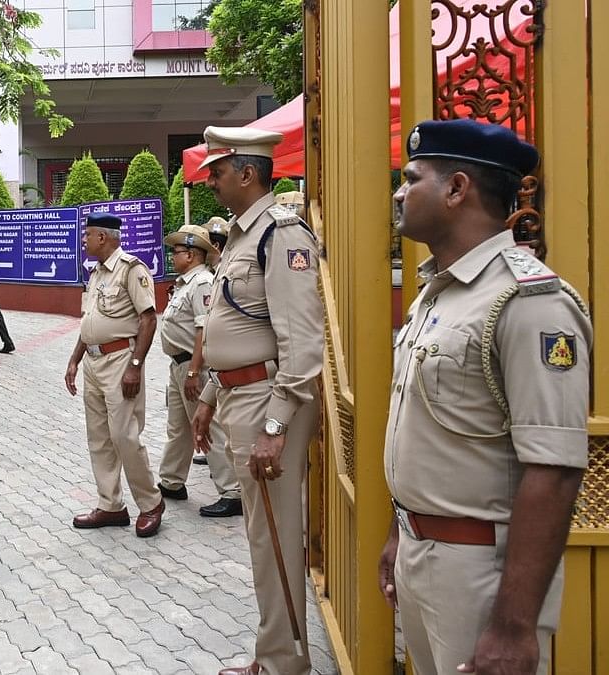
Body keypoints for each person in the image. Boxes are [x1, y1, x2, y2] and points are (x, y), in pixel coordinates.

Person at [376, 119, 591, 675]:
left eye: (411, 178)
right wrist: (400, 531)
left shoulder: (530, 302)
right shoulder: (436, 294)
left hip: (481, 575)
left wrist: (514, 625)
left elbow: (555, 468)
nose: (399, 193)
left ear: (456, 189)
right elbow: (429, 434)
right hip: (422, 556)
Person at [190, 126, 323, 675]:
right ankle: (275, 654)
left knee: (274, 538)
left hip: (268, 400)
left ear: (247, 173)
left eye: (218, 172)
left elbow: (303, 341)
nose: (212, 183)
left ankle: (283, 664)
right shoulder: (245, 236)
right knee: (263, 536)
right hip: (240, 393)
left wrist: (275, 425)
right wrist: (209, 395)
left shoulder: (282, 235)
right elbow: (236, 329)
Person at [65, 212, 165, 538]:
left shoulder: (131, 270)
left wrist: (135, 366)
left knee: (124, 436)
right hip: (93, 363)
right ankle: (111, 506)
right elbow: (89, 322)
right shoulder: (95, 274)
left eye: (87, 235)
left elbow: (148, 319)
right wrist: (74, 361)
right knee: (99, 438)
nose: (84, 240)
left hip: (121, 360)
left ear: (103, 238)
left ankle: (151, 503)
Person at [155, 224, 242, 516]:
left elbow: (202, 330)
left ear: (191, 254)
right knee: (178, 428)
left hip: (194, 368)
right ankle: (171, 481)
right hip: (177, 366)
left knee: (207, 429)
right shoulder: (184, 283)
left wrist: (194, 372)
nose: (172, 257)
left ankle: (232, 491)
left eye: (177, 252)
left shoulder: (202, 282)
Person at [192, 216, 229, 469]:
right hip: (219, 363)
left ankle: (227, 477)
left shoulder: (217, 273)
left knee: (222, 420)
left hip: (228, 364)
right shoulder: (213, 273)